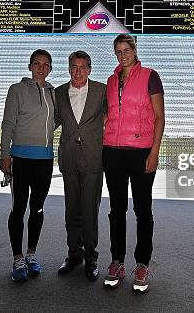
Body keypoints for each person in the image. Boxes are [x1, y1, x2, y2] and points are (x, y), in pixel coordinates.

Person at [102, 34, 165, 293]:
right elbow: (109, 112)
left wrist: (154, 151)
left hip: (141, 152)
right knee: (116, 210)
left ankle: (142, 263)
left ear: (135, 50)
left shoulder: (150, 75)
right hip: (113, 152)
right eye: (118, 50)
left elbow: (160, 117)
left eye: (127, 49)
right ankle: (117, 261)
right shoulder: (110, 80)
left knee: (142, 210)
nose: (122, 54)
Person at [0, 49, 56, 282]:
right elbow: (8, 123)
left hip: (45, 159)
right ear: (30, 66)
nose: (41, 68)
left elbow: (58, 120)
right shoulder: (17, 90)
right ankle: (18, 257)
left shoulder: (54, 93)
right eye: (37, 63)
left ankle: (32, 254)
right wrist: (5, 155)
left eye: (46, 64)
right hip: (21, 159)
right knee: (19, 209)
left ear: (50, 68)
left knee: (38, 209)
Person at [54, 51, 107, 281]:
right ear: (68, 68)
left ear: (90, 69)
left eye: (83, 67)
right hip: (69, 159)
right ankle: (74, 254)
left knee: (89, 211)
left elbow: (114, 113)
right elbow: (50, 121)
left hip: (94, 158)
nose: (78, 71)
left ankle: (91, 259)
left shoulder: (101, 90)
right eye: (74, 67)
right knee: (71, 210)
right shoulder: (58, 93)